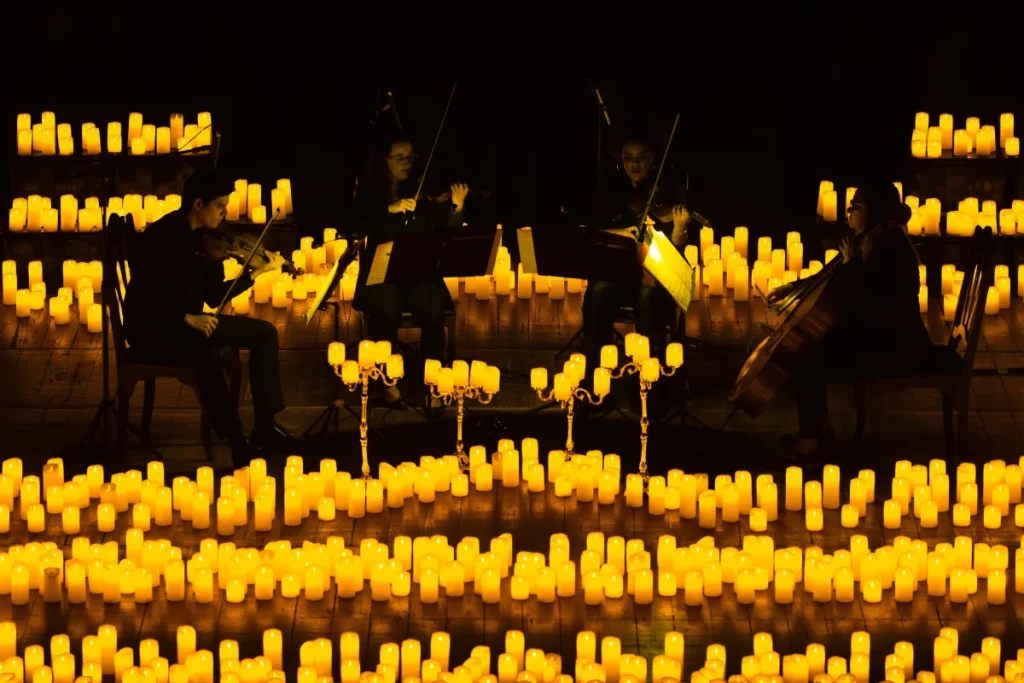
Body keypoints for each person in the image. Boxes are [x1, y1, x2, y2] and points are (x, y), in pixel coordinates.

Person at [123, 167, 296, 465]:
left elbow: (215, 297)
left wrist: (253, 274)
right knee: (205, 353)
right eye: (220, 206)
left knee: (264, 333)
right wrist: (187, 319)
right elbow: (145, 299)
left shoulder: (209, 243)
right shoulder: (160, 237)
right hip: (153, 327)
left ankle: (265, 427)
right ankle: (236, 439)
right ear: (198, 204)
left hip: (189, 322)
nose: (225, 214)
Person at [766, 181, 937, 455]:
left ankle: (811, 442)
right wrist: (793, 288)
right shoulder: (869, 241)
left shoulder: (891, 252)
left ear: (875, 212)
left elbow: (876, 307)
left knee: (805, 353)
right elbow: (832, 275)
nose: (849, 212)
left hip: (895, 348)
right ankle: (818, 426)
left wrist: (854, 264)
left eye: (856, 207)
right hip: (876, 337)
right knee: (809, 344)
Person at [351, 134, 469, 411]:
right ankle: (386, 380)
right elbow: (357, 228)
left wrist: (457, 206)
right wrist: (388, 210)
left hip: (418, 272)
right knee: (386, 308)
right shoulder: (369, 193)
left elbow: (445, 228)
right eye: (399, 158)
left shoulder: (421, 189)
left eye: (410, 158)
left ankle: (433, 381)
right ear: (385, 161)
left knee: (432, 308)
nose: (406, 163)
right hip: (382, 273)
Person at [583, 125, 691, 394]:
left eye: (642, 156)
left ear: (653, 159)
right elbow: (592, 233)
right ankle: (595, 378)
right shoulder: (610, 192)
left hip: (655, 282)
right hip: (621, 276)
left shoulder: (670, 192)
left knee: (645, 296)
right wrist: (622, 233)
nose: (634, 163)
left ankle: (650, 380)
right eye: (628, 156)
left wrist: (679, 228)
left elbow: (677, 253)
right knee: (597, 291)